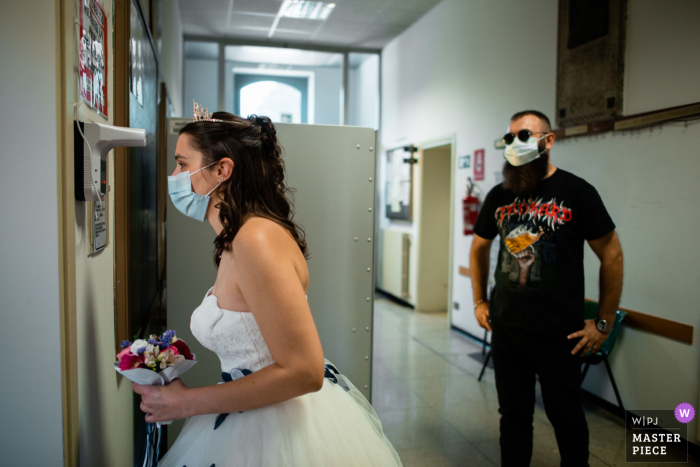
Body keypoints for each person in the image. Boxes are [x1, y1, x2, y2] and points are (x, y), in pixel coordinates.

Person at [131, 103, 403, 466]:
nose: (174, 175)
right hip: (246, 416)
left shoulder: (255, 239)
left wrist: (185, 403)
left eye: (182, 164)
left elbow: (304, 371)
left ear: (222, 170)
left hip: (278, 431)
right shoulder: (234, 238)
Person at [470, 110, 624, 466]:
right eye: (509, 138)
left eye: (524, 135)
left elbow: (612, 256)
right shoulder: (499, 195)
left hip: (560, 334)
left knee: (566, 418)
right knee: (514, 418)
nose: (514, 144)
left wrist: (603, 322)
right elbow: (479, 246)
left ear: (548, 140)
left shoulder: (576, 192)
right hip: (507, 329)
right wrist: (479, 300)